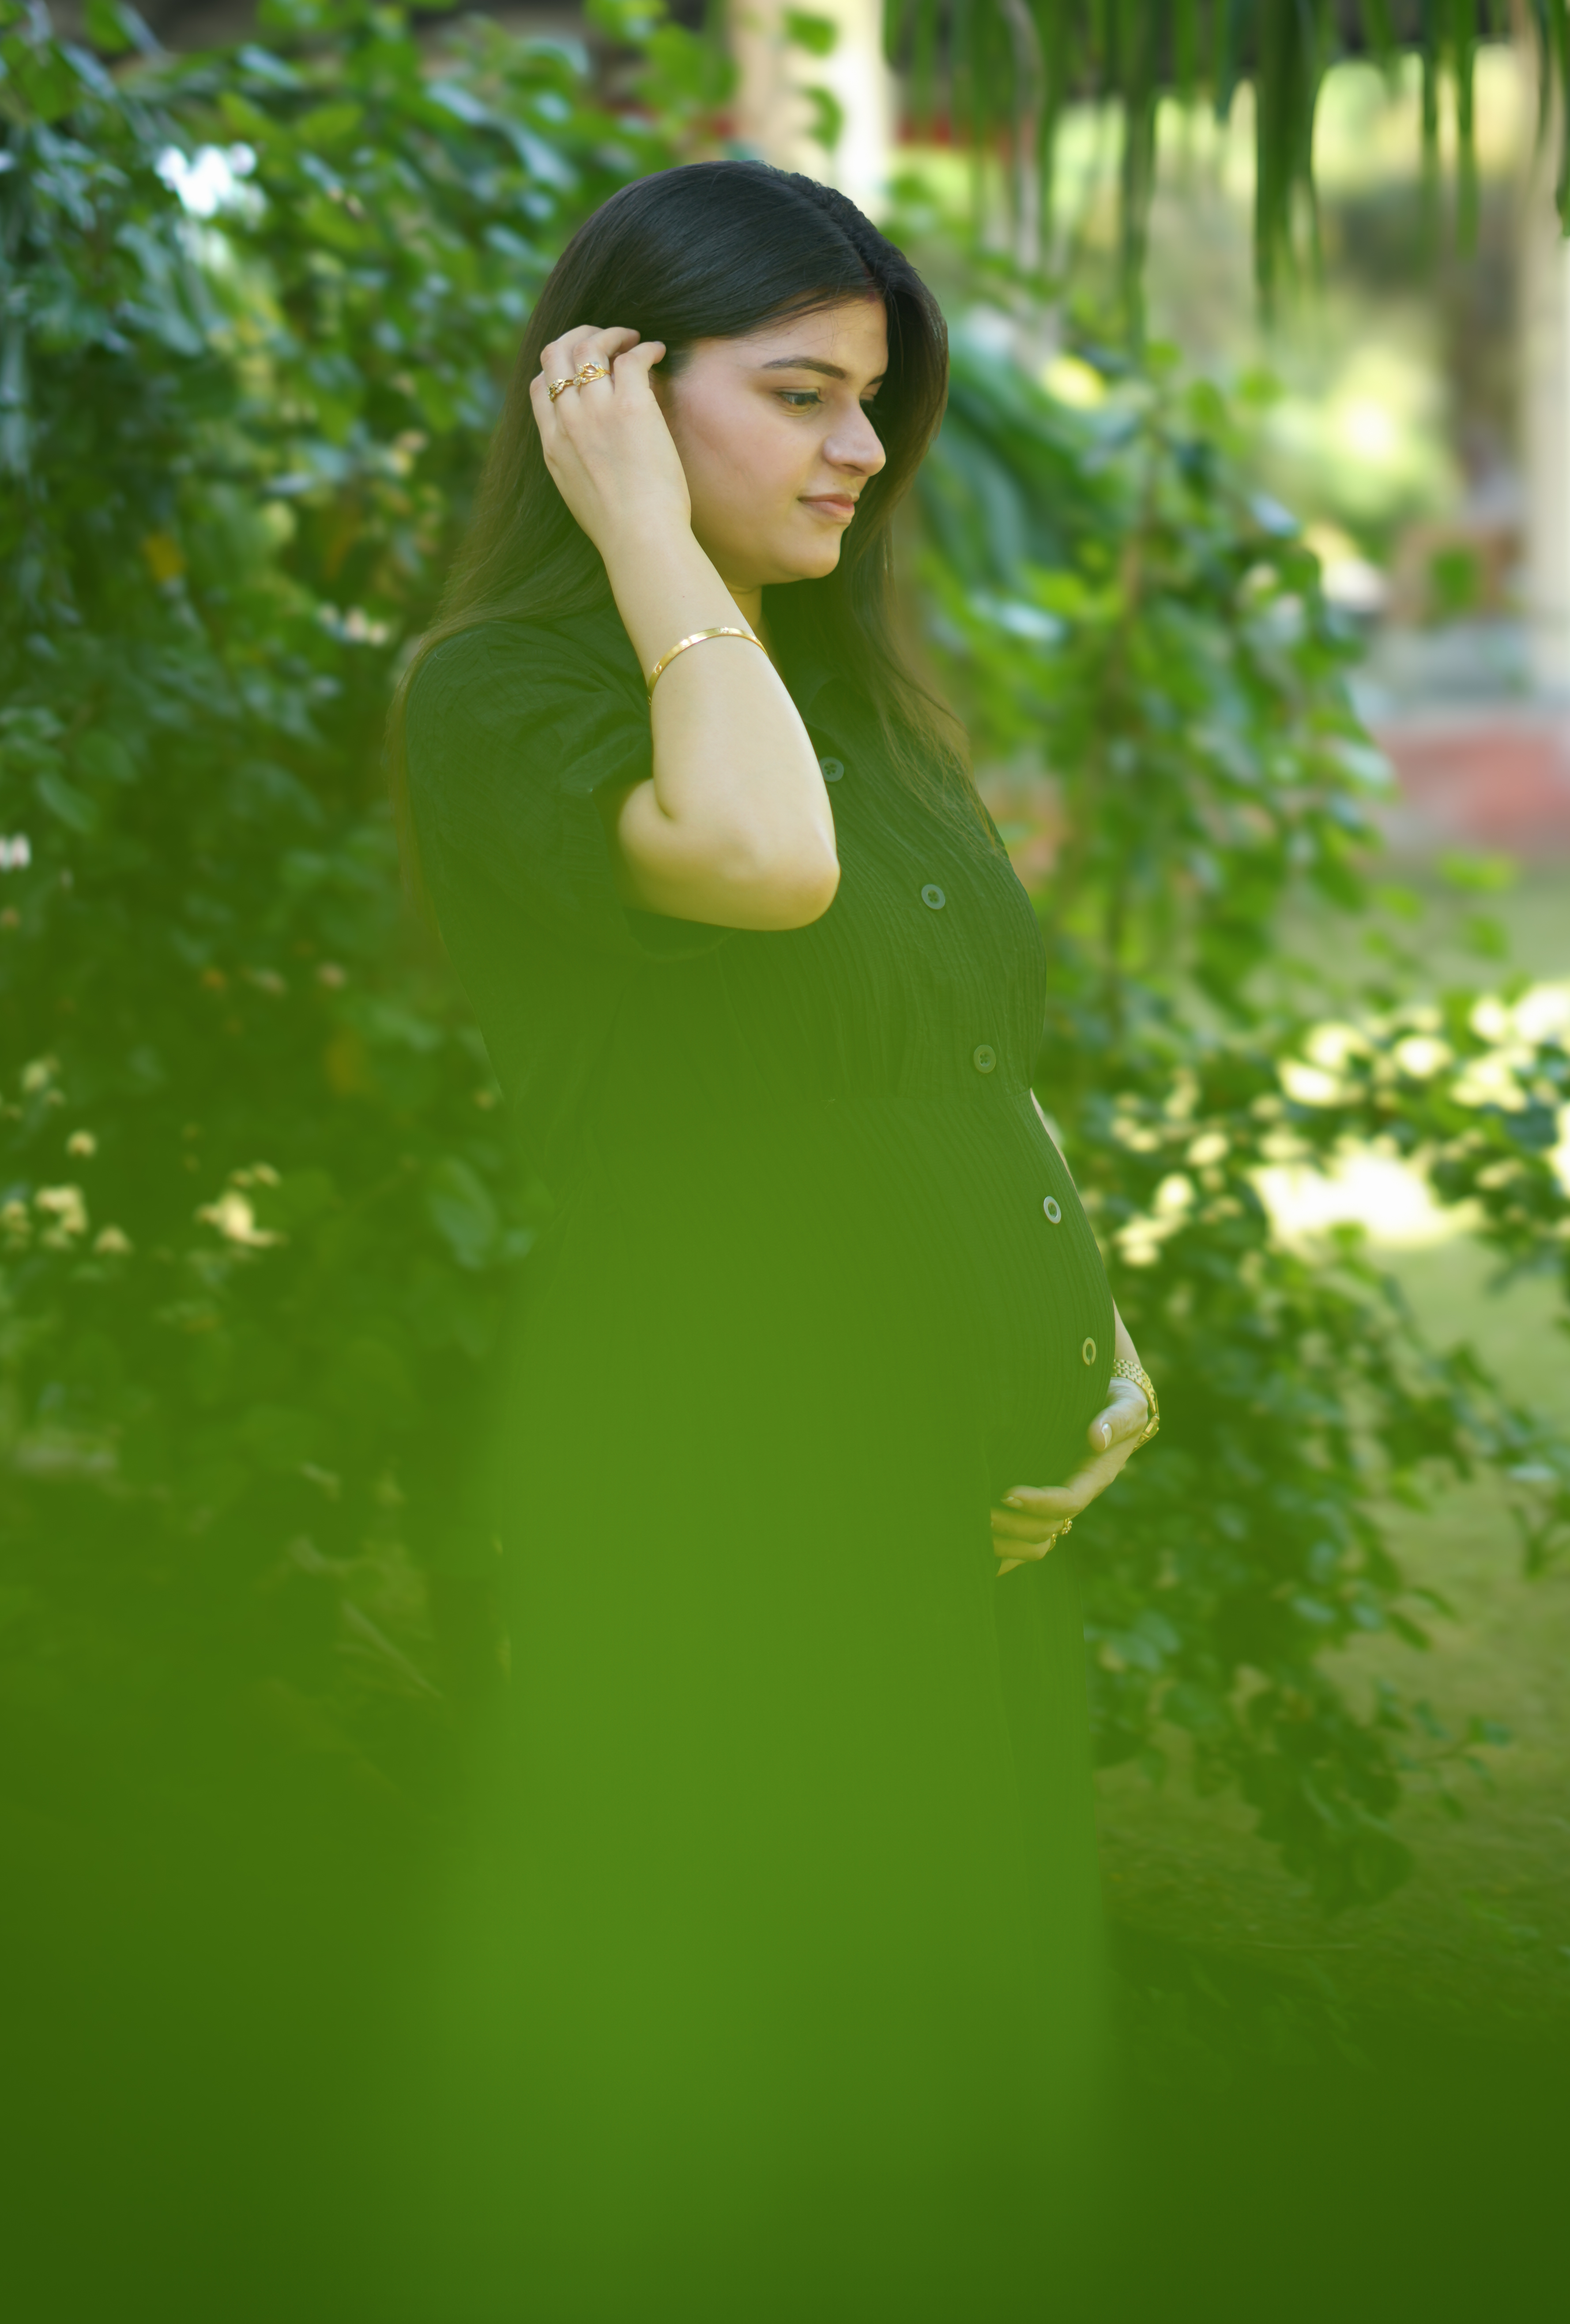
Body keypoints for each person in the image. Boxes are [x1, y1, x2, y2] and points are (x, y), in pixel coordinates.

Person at [395, 160, 1158, 2323]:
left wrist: (1100, 1340)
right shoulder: (503, 693)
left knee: (974, 2083)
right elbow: (754, 865)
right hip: (727, 1498)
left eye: (873, 402)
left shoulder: (846, 700)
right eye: (801, 392)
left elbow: (965, 1051)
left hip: (960, 1532)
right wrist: (644, 532)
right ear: (614, 392)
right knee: (766, 2110)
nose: (861, 450)